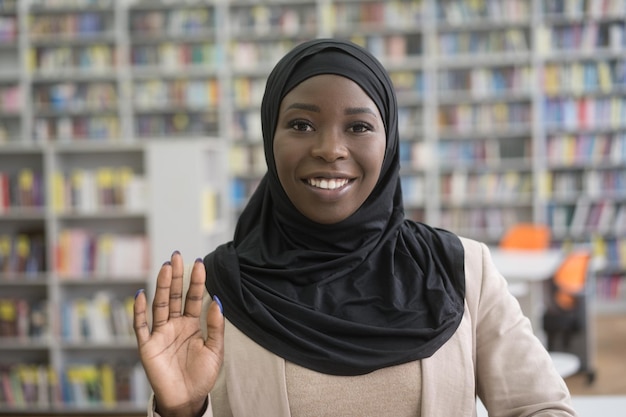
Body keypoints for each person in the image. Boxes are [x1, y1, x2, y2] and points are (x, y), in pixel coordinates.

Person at [133, 38, 577, 417]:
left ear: (389, 143)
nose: (330, 149)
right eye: (301, 124)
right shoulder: (219, 289)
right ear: (271, 137)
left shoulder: (461, 271)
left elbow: (542, 407)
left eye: (359, 126)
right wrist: (182, 412)